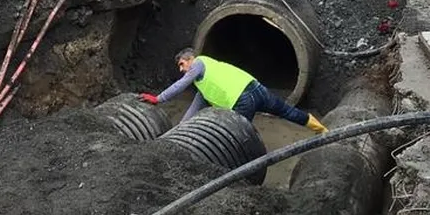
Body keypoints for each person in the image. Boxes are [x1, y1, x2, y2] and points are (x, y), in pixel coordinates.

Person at [139, 48, 328, 133]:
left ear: (190, 59)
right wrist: (180, 129)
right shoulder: (205, 84)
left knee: (235, 135)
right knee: (288, 112)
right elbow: (193, 110)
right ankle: (321, 129)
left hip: (243, 99)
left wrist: (158, 98)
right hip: (258, 89)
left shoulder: (199, 63)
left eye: (182, 64)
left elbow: (181, 85)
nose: (181, 70)